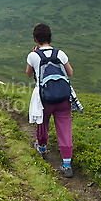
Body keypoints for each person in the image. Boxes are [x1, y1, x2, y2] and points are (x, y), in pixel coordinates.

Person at [26, 24, 74, 178]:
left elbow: (28, 74)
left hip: (45, 99)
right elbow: (70, 73)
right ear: (50, 37)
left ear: (35, 39)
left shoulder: (33, 56)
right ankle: (67, 165)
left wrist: (35, 56)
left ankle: (42, 148)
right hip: (63, 98)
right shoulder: (60, 54)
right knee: (65, 129)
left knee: (42, 123)